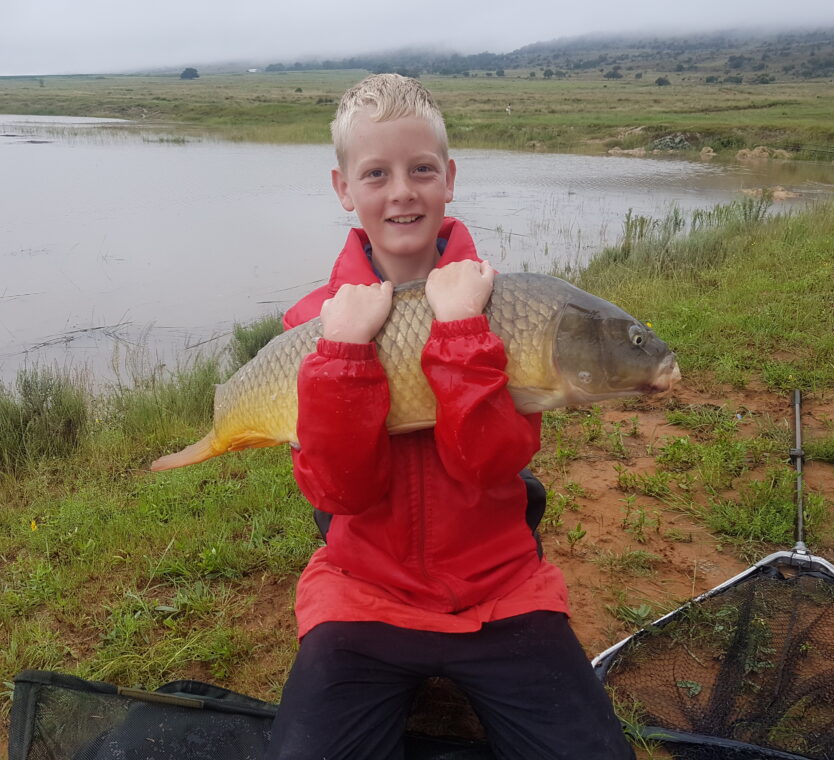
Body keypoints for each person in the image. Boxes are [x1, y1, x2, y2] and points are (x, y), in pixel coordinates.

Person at [268, 73, 632, 760]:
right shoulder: (312, 326)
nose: (402, 190)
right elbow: (339, 494)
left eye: (421, 169)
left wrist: (462, 331)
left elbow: (489, 463)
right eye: (376, 173)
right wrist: (343, 351)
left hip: (501, 592)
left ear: (449, 177)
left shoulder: (507, 307)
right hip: (362, 592)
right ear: (344, 189)